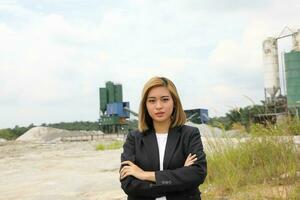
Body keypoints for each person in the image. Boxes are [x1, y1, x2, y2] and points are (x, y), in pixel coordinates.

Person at [119, 76, 207, 200]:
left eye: (165, 99)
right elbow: (129, 184)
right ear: (145, 105)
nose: (158, 106)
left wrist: (145, 175)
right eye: (152, 101)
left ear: (174, 102)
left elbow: (197, 174)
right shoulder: (134, 138)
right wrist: (180, 176)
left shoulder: (190, 134)